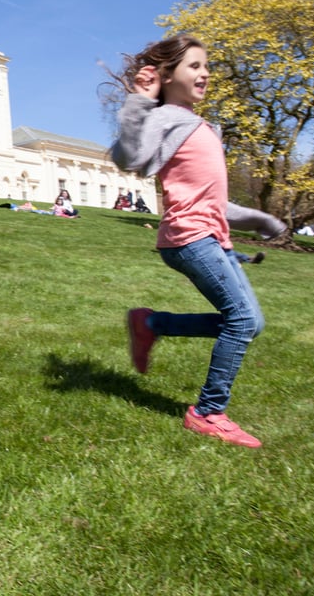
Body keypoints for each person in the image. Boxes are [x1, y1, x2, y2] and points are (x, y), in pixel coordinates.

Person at [111, 34, 264, 448]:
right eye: (194, 65)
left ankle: (151, 323)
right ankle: (208, 413)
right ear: (167, 74)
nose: (205, 73)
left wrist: (262, 220)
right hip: (189, 236)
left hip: (215, 238)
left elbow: (216, 201)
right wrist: (139, 101)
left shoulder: (200, 126)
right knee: (242, 320)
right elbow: (128, 157)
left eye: (206, 66)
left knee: (251, 323)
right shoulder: (166, 118)